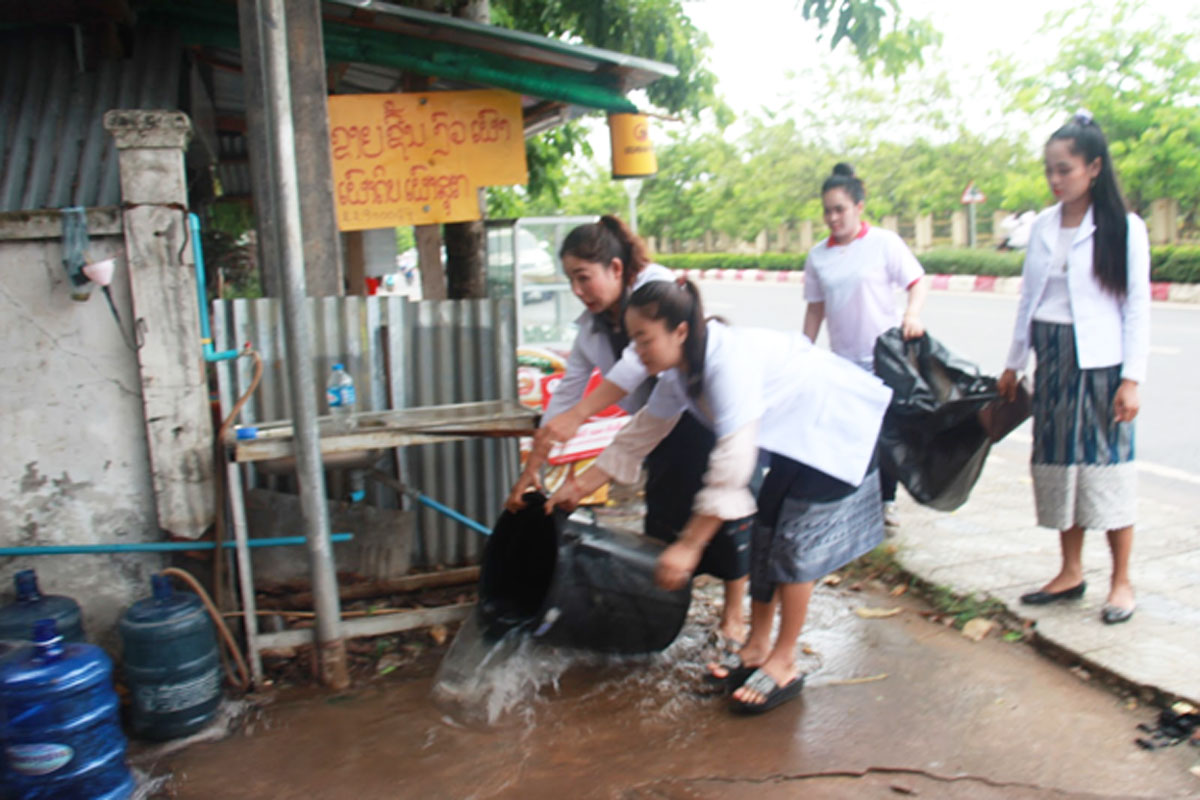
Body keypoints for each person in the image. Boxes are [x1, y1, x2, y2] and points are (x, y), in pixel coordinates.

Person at [546, 279, 893, 713]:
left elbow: (732, 461)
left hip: (833, 425)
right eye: (632, 340)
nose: (637, 352)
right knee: (766, 532)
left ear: (679, 332)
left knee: (793, 544)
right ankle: (756, 646)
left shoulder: (727, 363)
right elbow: (643, 432)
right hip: (795, 435)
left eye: (643, 339)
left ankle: (783, 660)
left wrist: (690, 545)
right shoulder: (679, 372)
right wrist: (578, 486)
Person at [504, 216, 751, 646]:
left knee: (722, 511)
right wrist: (532, 471)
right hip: (655, 423)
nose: (578, 292)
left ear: (615, 269)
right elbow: (565, 397)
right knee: (663, 517)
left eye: (584, 278)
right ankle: (666, 603)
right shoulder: (591, 326)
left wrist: (580, 415)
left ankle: (735, 613)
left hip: (701, 418)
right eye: (570, 281)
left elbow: (632, 367)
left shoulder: (655, 291)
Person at [997, 111, 1150, 625]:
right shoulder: (1041, 226)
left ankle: (1121, 581)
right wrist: (1014, 364)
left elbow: (1136, 307)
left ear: (1094, 168)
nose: (1055, 179)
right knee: (1060, 466)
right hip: (1053, 359)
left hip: (1101, 365)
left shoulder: (1124, 228)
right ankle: (1069, 572)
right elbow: (1028, 301)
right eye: (1049, 170)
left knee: (1106, 470)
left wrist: (1132, 379)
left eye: (1064, 169)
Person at [802, 163, 929, 528]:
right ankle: (855, 502)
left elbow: (917, 282)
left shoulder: (884, 244)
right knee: (852, 435)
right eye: (827, 210)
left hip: (884, 358)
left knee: (886, 434)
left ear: (859, 206)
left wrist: (913, 314)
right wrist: (804, 350)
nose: (832, 217)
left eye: (839, 209)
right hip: (843, 360)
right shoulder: (818, 257)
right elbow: (815, 309)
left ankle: (886, 501)